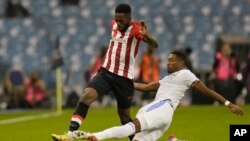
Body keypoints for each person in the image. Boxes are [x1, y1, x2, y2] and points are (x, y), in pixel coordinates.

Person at [71, 50, 244, 141]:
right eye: (168, 60)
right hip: (163, 116)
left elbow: (207, 91)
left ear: (182, 62)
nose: (168, 62)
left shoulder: (186, 74)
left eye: (172, 60)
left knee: (131, 127)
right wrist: (119, 84)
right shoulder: (168, 78)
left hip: (162, 107)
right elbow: (146, 87)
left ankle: (95, 136)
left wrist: (229, 104)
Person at [52, 3, 158, 141]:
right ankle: (70, 134)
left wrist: (147, 36)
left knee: (124, 117)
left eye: (121, 20)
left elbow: (155, 44)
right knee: (86, 97)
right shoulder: (113, 23)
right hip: (106, 72)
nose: (118, 22)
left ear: (129, 18)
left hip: (124, 79)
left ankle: (136, 139)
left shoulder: (136, 29)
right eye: (116, 19)